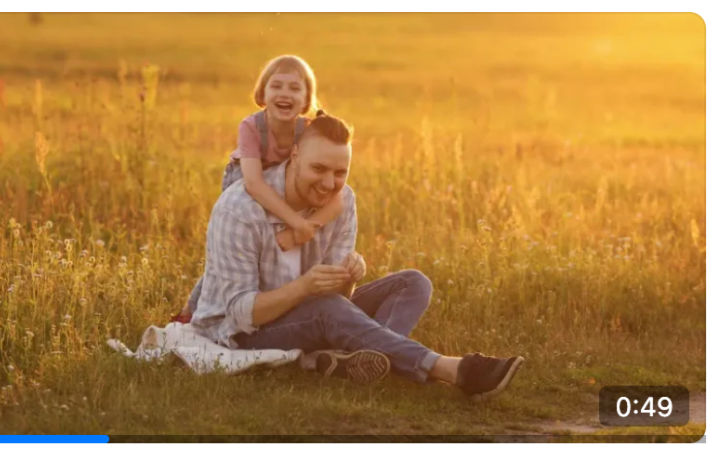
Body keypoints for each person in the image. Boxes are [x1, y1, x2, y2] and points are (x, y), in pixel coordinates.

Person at [188, 112, 525, 402]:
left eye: (340, 172)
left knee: (412, 283)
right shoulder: (239, 211)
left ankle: (360, 360)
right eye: (318, 169)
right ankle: (448, 368)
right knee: (324, 311)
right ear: (294, 156)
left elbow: (336, 301)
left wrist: (348, 279)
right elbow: (239, 314)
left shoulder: (343, 200)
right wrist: (306, 287)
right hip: (244, 332)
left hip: (314, 314)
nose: (329, 183)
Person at [171, 55, 344, 324]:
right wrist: (295, 221)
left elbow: (340, 199)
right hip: (249, 187)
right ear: (263, 93)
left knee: (271, 257)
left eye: (295, 88)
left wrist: (303, 229)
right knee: (225, 260)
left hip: (286, 192)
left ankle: (277, 306)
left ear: (307, 99)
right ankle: (192, 312)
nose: (285, 94)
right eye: (276, 86)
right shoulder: (252, 127)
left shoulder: (307, 130)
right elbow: (254, 184)